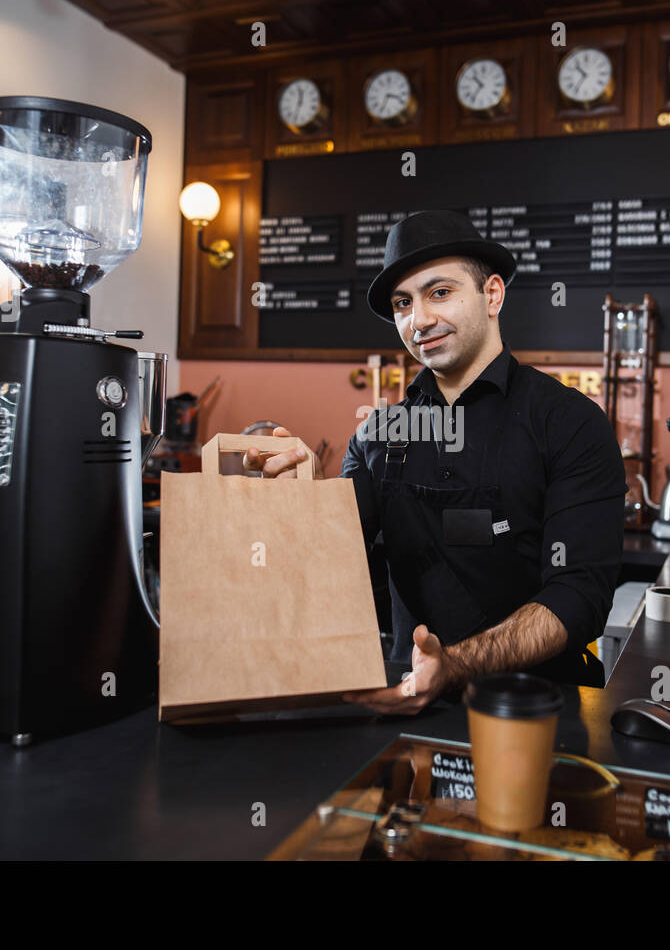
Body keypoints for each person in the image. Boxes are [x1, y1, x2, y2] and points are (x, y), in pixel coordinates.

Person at [245, 209, 625, 715]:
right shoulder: (378, 435)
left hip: (534, 712)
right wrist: (310, 500)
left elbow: (580, 594)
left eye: (439, 292)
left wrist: (455, 664)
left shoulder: (570, 423)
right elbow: (333, 570)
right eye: (403, 303)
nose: (418, 320)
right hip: (402, 701)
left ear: (492, 295)